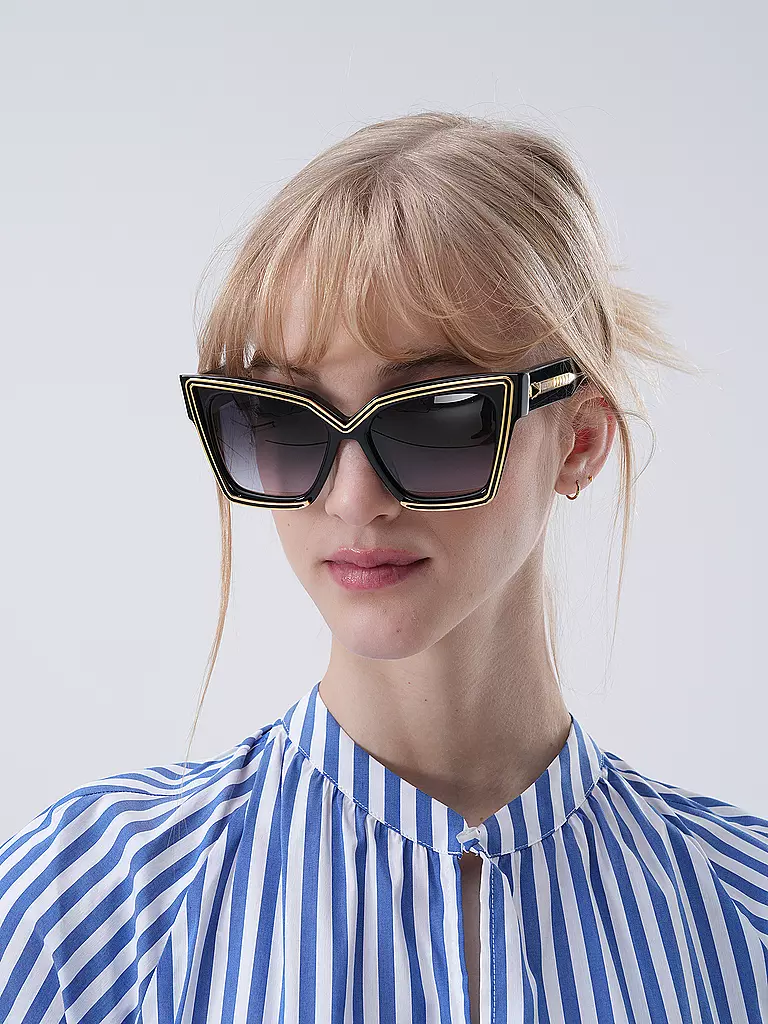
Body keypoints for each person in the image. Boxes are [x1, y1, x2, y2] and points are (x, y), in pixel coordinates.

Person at [1, 111, 767, 1024]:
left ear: (581, 440)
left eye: (437, 418)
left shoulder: (745, 915)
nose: (353, 499)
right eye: (284, 421)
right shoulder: (87, 912)